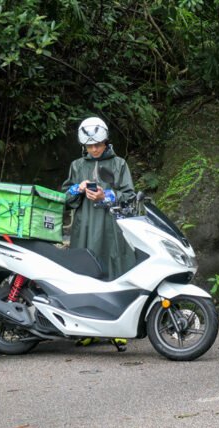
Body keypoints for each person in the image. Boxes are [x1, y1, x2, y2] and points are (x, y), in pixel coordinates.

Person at [62, 116, 136, 351]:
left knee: (114, 272)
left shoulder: (119, 164)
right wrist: (78, 188)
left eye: (98, 145)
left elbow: (130, 196)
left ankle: (118, 329)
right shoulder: (77, 165)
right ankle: (86, 329)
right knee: (84, 274)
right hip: (84, 228)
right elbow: (64, 197)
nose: (94, 149)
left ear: (106, 141)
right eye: (89, 146)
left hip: (111, 229)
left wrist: (107, 195)